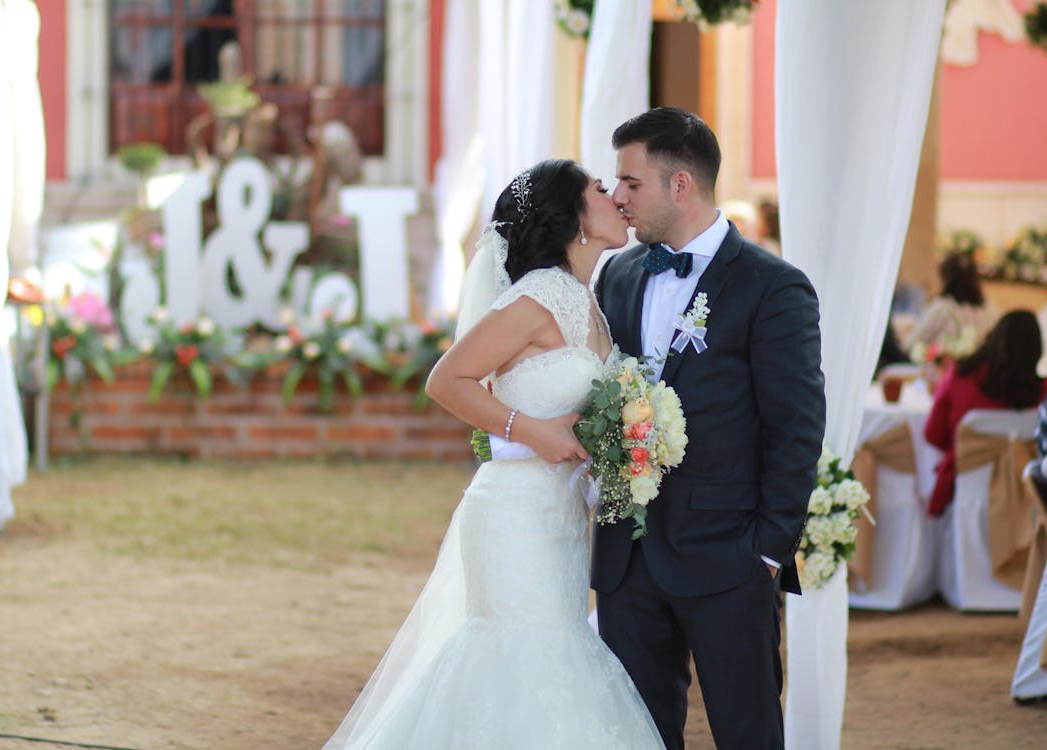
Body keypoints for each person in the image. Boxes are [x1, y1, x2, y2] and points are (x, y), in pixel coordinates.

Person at [322, 159, 665, 749]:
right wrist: (532, 431)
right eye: (600, 190)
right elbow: (446, 380)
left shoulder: (590, 302)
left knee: (556, 654)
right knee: (520, 661)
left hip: (561, 519)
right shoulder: (537, 300)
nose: (615, 197)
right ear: (574, 220)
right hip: (512, 518)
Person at [594, 107, 826, 749]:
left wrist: (766, 552)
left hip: (730, 559)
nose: (617, 197)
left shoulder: (773, 287)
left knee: (747, 734)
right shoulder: (617, 274)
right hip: (628, 562)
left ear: (679, 186)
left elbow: (797, 428)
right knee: (635, 737)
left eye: (630, 183)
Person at [923, 310, 1046, 517]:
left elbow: (933, 435)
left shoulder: (961, 377)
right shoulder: (1042, 395)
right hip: (1026, 503)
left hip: (967, 496)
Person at [905, 252, 998, 364]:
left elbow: (912, 344)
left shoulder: (942, 308)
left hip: (949, 374)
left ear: (944, 279)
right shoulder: (991, 308)